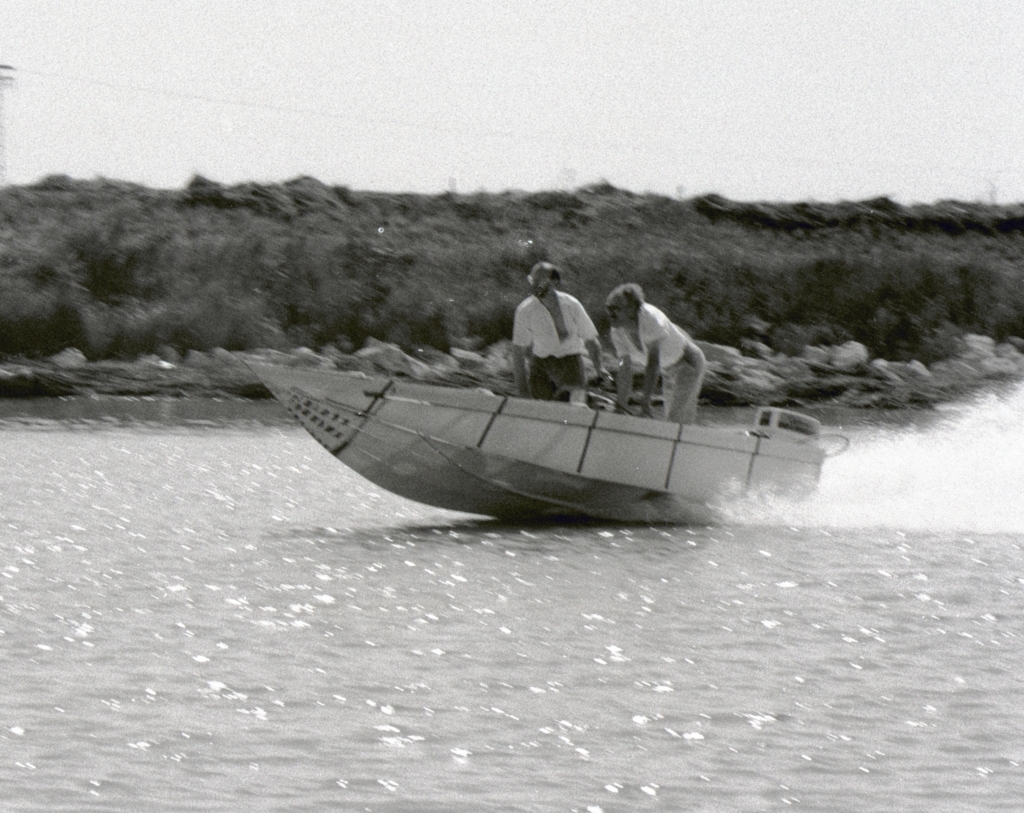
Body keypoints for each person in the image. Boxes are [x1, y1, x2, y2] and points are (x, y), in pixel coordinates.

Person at [605, 282, 706, 424]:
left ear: (632, 308)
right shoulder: (617, 330)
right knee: (671, 421)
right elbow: (624, 366)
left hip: (688, 364)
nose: (610, 313)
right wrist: (621, 405)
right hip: (668, 370)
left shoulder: (650, 318)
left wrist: (646, 402)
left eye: (615, 308)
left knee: (676, 421)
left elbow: (653, 363)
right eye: (608, 308)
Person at [512, 261, 610, 405]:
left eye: (540, 281)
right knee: (541, 413)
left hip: (570, 364)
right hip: (541, 365)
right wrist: (523, 391)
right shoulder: (525, 310)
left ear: (554, 281)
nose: (534, 285)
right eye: (532, 280)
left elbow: (590, 340)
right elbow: (517, 352)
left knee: (574, 411)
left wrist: (599, 368)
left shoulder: (572, 304)